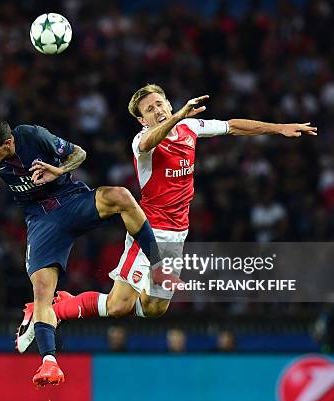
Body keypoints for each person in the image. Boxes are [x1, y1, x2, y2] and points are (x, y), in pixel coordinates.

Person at [16, 84, 317, 345]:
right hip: (147, 230)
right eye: (149, 109)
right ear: (141, 119)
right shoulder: (142, 142)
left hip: (177, 234)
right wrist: (178, 116)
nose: (157, 110)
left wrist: (279, 128)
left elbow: (233, 125)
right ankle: (49, 312)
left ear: (168, 102)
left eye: (160, 103)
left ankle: (69, 303)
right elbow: (149, 141)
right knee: (120, 306)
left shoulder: (190, 128)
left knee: (155, 308)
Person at [0, 116, 162, 388]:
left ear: (8, 142)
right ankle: (49, 361)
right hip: (42, 220)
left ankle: (158, 261)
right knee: (42, 293)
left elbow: (79, 153)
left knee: (121, 196)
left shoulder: (33, 136)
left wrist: (58, 171)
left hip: (72, 199)